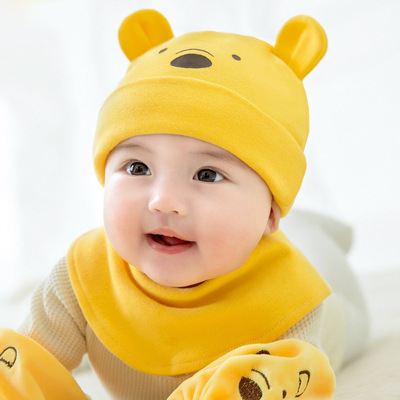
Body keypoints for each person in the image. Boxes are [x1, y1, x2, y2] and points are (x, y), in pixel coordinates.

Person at [0, 9, 363, 399]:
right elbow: (22, 370)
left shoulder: (289, 300)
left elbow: (282, 383)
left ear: (271, 212)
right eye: (137, 167)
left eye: (207, 174)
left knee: (331, 279)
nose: (164, 201)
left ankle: (318, 231)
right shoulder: (82, 277)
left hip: (326, 305)